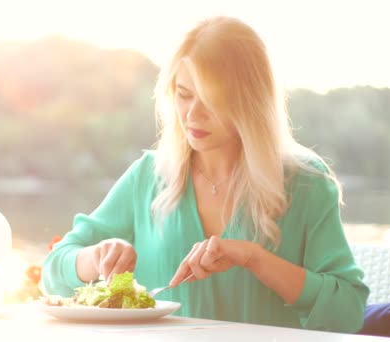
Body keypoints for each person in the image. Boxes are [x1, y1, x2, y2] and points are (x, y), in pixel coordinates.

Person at [41, 16, 369, 333]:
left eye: (212, 100)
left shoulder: (307, 185)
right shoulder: (148, 177)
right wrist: (94, 258)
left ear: (250, 102)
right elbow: (53, 271)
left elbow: (348, 313)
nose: (193, 115)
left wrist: (254, 257)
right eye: (184, 95)